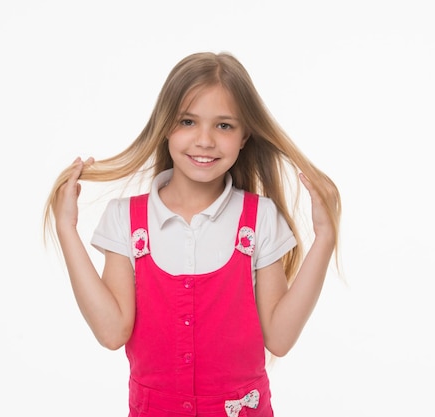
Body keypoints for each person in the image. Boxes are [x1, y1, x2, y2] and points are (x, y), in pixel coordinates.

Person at [43, 51, 341, 417]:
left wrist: (325, 235)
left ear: (245, 135)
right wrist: (66, 229)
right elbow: (111, 332)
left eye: (224, 126)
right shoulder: (125, 219)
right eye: (188, 121)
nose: (205, 140)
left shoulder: (259, 217)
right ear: (165, 125)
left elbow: (279, 338)